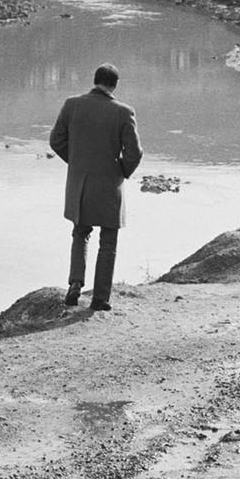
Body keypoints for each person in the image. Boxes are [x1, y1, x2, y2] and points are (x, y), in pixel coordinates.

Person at [49, 63, 143, 312]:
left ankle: (75, 284)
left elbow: (56, 140)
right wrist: (121, 170)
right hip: (109, 185)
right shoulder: (124, 112)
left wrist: (77, 161)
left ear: (95, 80)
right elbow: (134, 153)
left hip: (80, 183)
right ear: (115, 85)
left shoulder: (72, 105)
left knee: (80, 233)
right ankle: (100, 298)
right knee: (108, 241)